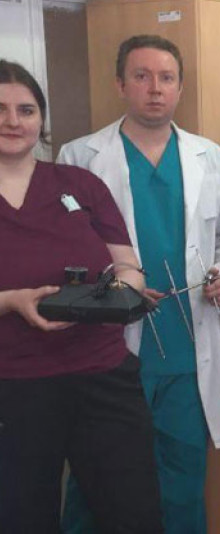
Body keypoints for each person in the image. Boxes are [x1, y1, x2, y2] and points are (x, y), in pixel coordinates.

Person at [57, 35, 220, 533]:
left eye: (166, 78)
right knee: (97, 483)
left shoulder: (211, 158)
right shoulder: (79, 156)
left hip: (186, 345)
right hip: (110, 349)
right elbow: (63, 255)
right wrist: (114, 288)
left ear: (180, 88)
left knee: (183, 481)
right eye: (141, 76)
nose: (154, 89)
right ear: (121, 84)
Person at [0, 59, 162, 533]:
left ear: (41, 119)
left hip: (103, 376)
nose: (13, 120)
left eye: (26, 110)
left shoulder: (80, 185)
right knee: (22, 515)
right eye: (1, 109)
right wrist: (12, 301)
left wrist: (126, 292)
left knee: (134, 514)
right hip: (15, 385)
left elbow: (127, 265)